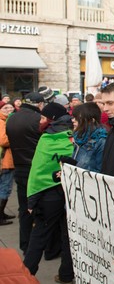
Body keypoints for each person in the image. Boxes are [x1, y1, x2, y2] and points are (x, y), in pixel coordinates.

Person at [24, 102, 74, 283]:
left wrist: (31, 200)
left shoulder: (46, 139)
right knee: (68, 236)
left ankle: (25, 276)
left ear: (53, 119)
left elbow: (37, 172)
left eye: (44, 117)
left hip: (47, 196)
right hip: (70, 193)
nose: (41, 120)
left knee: (38, 238)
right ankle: (67, 275)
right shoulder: (75, 137)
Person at [5, 92, 45, 252]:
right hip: (36, 169)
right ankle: (39, 245)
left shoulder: (12, 118)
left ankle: (25, 244)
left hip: (20, 167)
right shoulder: (38, 119)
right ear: (40, 104)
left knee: (24, 208)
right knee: (40, 208)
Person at [71, 102, 107, 172]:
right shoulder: (79, 137)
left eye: (78, 118)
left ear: (91, 120)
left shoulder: (101, 141)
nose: (73, 120)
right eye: (74, 117)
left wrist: (77, 172)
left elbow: (101, 171)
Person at [0, 100, 16, 225]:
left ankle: (2, 213)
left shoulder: (5, 121)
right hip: (5, 161)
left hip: (6, 160)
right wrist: (17, 138)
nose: (9, 111)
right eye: (6, 108)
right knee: (5, 188)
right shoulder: (1, 122)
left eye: (11, 108)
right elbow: (3, 141)